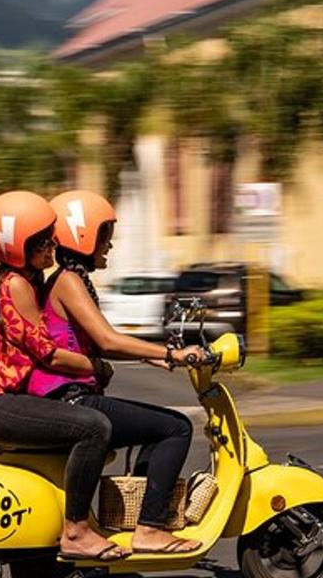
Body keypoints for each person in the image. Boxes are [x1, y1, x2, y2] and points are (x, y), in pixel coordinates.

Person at [27, 190, 204, 555]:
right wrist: (172, 353)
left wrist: (162, 358)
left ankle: (140, 518)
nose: (110, 243)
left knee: (155, 428)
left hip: (69, 397)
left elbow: (101, 339)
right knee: (175, 427)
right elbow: (108, 341)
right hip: (73, 399)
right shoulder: (68, 281)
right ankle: (150, 529)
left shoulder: (71, 278)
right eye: (105, 234)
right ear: (83, 235)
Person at [0, 190, 126, 562]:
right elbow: (48, 353)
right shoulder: (16, 285)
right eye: (43, 240)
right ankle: (77, 531)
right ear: (19, 246)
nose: (53, 245)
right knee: (93, 427)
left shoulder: (17, 280)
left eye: (51, 236)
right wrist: (98, 366)